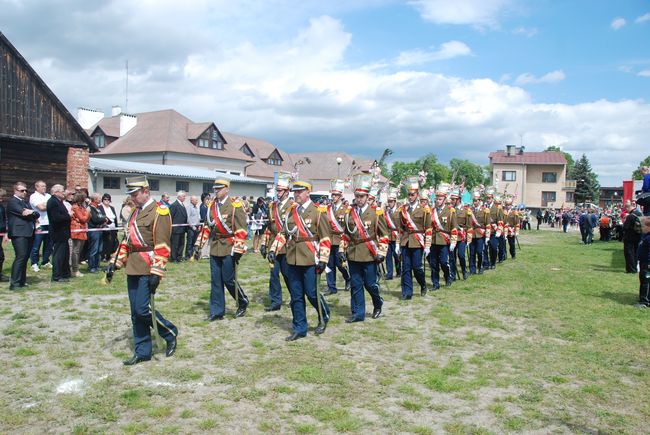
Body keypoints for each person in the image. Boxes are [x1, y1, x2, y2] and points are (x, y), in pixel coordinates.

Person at [109, 176, 178, 365]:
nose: (132, 197)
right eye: (131, 194)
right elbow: (128, 241)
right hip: (133, 265)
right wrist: (115, 263)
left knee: (142, 309)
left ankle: (170, 332)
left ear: (146, 191)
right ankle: (142, 351)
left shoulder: (160, 212)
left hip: (149, 265)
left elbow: (163, 245)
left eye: (135, 193)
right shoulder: (134, 213)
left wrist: (157, 272)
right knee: (135, 312)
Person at [267, 180, 332, 341]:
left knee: (311, 292)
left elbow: (325, 237)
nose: (297, 195)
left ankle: (323, 315)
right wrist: (273, 249)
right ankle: (299, 327)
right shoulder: (292, 211)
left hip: (310, 258)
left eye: (300, 192)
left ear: (308, 192)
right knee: (296, 295)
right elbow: (283, 233)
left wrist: (323, 258)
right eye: (295, 192)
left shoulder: (318, 211)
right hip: (292, 258)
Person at [195, 179, 249, 321]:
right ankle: (217, 311)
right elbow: (207, 226)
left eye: (219, 188)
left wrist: (238, 249)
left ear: (227, 189)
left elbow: (241, 229)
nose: (216, 191)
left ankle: (242, 301)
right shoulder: (212, 206)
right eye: (215, 188)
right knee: (216, 280)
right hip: (216, 246)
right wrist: (198, 245)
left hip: (229, 245)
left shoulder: (235, 205)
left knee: (228, 279)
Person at [340, 173, 388, 322]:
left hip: (369, 253)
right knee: (356, 285)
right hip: (354, 253)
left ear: (367, 196)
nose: (359, 199)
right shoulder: (350, 213)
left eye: (362, 196)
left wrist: (381, 252)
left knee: (370, 284)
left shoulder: (375, 213)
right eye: (357, 196)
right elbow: (346, 234)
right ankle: (358, 314)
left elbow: (384, 235)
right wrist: (342, 249)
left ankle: (377, 303)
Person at [260, 172, 293, 311]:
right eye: (277, 190)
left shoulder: (293, 206)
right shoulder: (272, 206)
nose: (278, 193)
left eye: (280, 190)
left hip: (287, 246)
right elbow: (269, 227)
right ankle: (275, 302)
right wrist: (263, 243)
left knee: (288, 275)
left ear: (287, 191)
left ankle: (295, 297)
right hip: (273, 245)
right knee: (273, 275)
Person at [398, 176, 431, 299]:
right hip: (406, 241)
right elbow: (401, 228)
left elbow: (428, 229)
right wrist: (398, 243)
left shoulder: (424, 210)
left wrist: (427, 245)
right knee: (405, 268)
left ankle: (423, 285)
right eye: (408, 194)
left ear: (417, 195)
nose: (410, 197)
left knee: (417, 268)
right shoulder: (403, 209)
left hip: (417, 242)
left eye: (412, 194)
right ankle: (407, 293)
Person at [7, 182, 38, 290]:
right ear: (15, 191)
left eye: (26, 190)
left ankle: (21, 281)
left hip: (28, 232)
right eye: (22, 190)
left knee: (25, 258)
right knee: (20, 256)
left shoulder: (25, 202)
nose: (24, 192)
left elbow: (36, 214)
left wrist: (31, 212)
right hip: (18, 233)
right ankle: (14, 283)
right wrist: (30, 213)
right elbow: (22, 213)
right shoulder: (12, 202)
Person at [324, 179, 351, 295]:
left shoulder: (346, 209)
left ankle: (348, 278)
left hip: (340, 239)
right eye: (333, 195)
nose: (334, 197)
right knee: (329, 264)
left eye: (336, 195)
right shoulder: (327, 209)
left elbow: (348, 226)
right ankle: (331, 287)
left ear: (340, 196)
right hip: (329, 240)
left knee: (340, 264)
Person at [428, 184, 457, 289]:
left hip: (444, 241)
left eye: (440, 199)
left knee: (444, 262)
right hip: (433, 241)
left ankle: (447, 277)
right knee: (433, 264)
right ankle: (435, 284)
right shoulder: (432, 211)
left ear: (444, 200)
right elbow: (429, 227)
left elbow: (453, 228)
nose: (438, 201)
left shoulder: (450, 211)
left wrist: (453, 242)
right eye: (437, 199)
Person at [46, 184, 72, 283]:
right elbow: (56, 218)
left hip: (64, 233)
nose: (64, 193)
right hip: (58, 232)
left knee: (65, 254)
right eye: (62, 191)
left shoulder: (58, 201)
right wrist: (68, 215)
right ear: (56, 192)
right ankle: (56, 276)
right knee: (58, 255)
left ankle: (64, 273)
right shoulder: (52, 202)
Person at [29, 180, 52, 272]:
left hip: (49, 223)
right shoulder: (34, 196)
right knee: (36, 244)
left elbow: (52, 206)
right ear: (36, 187)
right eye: (42, 186)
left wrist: (47, 205)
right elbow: (41, 208)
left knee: (48, 244)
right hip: (39, 223)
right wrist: (48, 205)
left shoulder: (48, 196)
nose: (44, 188)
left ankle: (45, 261)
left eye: (45, 186)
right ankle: (34, 263)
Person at [468, 188, 490, 275]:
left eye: (476, 200)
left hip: (481, 234)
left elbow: (488, 224)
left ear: (480, 201)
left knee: (480, 252)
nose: (474, 202)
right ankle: (472, 269)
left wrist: (487, 236)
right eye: (473, 200)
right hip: (472, 234)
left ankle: (480, 266)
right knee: (472, 253)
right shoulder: (470, 210)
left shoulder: (485, 210)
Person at [383, 187, 401, 280]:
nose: (389, 203)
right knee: (388, 256)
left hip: (396, 236)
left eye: (391, 201)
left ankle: (399, 271)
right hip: (388, 236)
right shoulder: (386, 212)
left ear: (395, 202)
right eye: (388, 201)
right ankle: (389, 274)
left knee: (396, 255)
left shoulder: (399, 211)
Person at [87, 193, 108, 273]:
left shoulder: (99, 208)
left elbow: (104, 216)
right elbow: (95, 219)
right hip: (93, 231)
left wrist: (104, 219)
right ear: (95, 199)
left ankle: (97, 265)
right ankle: (91, 266)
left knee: (99, 249)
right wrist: (103, 219)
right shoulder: (90, 208)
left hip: (100, 230)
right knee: (94, 249)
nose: (100, 199)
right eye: (99, 198)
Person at [451, 189, 469, 281]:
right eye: (451, 199)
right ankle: (453, 274)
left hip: (461, 236)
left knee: (461, 255)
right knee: (452, 257)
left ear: (458, 199)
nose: (452, 201)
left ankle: (464, 270)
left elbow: (469, 225)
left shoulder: (465, 210)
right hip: (452, 236)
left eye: (454, 199)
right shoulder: (450, 210)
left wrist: (463, 230)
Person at [70, 192, 90, 277]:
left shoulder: (81, 207)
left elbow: (87, 219)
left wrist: (86, 214)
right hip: (77, 230)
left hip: (82, 230)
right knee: (76, 251)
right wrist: (88, 212)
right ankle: (75, 269)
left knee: (79, 251)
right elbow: (83, 219)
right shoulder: (75, 207)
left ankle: (75, 268)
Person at [623, 201, 643, 273]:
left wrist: (625, 220)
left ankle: (631, 269)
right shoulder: (640, 214)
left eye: (626, 209)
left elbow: (625, 227)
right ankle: (635, 267)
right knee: (635, 253)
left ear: (628, 207)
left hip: (629, 237)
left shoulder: (630, 216)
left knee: (629, 253)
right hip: (638, 236)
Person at [170, 191, 188, 262]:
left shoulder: (182, 205)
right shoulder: (174, 205)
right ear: (179, 196)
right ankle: (174, 258)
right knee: (175, 244)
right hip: (175, 229)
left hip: (182, 229)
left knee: (181, 244)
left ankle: (179, 257)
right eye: (184, 196)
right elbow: (170, 217)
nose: (185, 198)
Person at [636, 217, 650, 308]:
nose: (642, 228)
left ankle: (644, 301)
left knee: (646, 281)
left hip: (647, 262)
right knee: (643, 280)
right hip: (643, 261)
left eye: (644, 226)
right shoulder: (645, 236)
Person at [100, 194, 118, 261]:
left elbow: (115, 218)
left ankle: (108, 255)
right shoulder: (100, 207)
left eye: (108, 199)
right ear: (102, 200)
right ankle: (102, 256)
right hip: (105, 228)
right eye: (105, 199)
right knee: (105, 242)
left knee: (112, 242)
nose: (107, 201)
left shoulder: (112, 208)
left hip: (113, 227)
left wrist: (116, 228)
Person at [0, 189, 8, 282]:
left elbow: (4, 219)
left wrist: (6, 232)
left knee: (1, 256)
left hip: (1, 232)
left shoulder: (2, 207)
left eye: (2, 198)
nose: (1, 200)